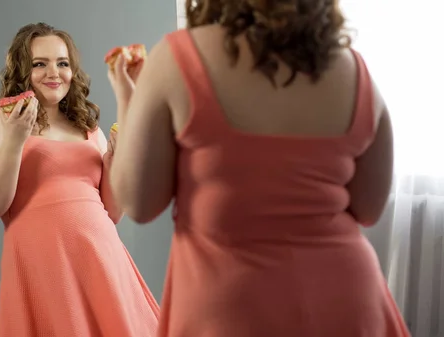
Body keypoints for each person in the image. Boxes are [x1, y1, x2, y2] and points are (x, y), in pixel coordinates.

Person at [107, 1, 411, 336]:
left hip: (233, 309)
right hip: (348, 303)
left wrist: (126, 100)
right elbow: (369, 208)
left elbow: (138, 202)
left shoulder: (178, 57)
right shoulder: (352, 68)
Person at [0, 22, 159, 337]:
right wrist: (16, 141)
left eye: (63, 63)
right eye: (40, 64)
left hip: (102, 262)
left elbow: (111, 213)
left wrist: (113, 161)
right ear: (22, 70)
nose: (54, 73)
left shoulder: (89, 129)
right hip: (44, 267)